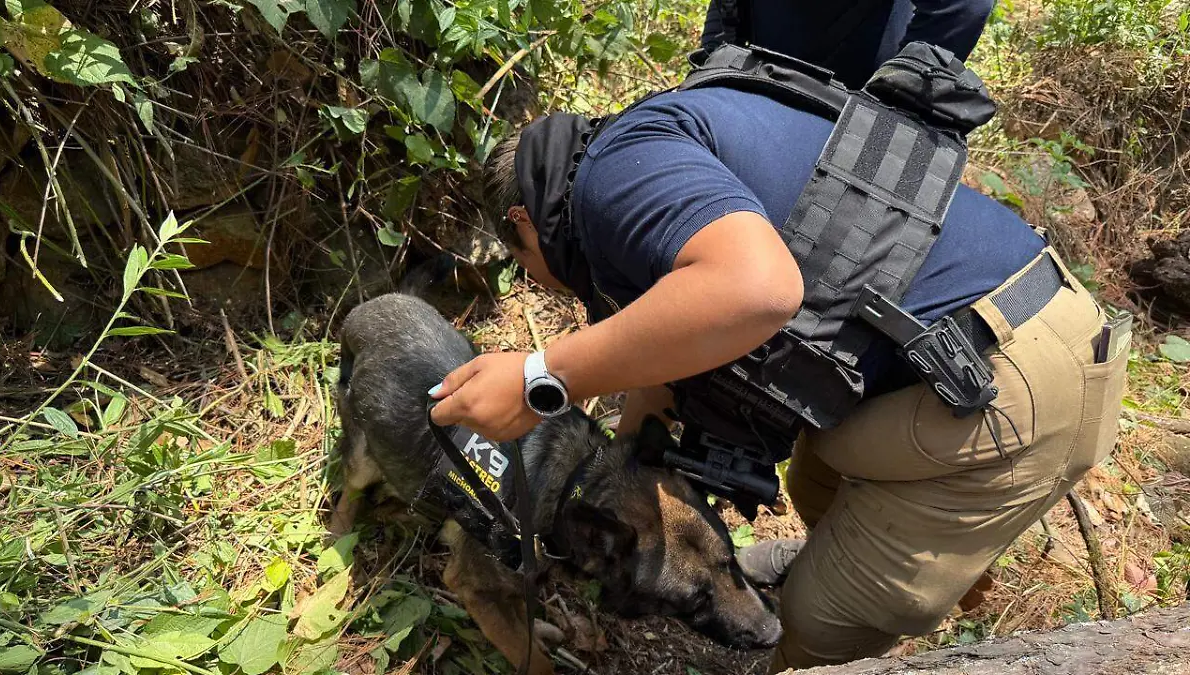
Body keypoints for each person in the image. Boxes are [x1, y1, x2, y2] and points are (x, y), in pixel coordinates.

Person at [426, 54, 1127, 669]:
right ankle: (859, 557)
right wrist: (634, 462)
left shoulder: (608, 182)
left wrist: (542, 376)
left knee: (815, 624)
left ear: (522, 223)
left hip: (1014, 380)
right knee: (818, 479)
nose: (538, 283)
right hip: (990, 338)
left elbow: (759, 288)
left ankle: (854, 609)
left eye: (523, 270)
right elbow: (676, 345)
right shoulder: (650, 138)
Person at [700, 0, 997, 88]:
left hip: (848, 111)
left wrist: (895, 102)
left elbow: (966, 7)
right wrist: (714, 59)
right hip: (750, 85)